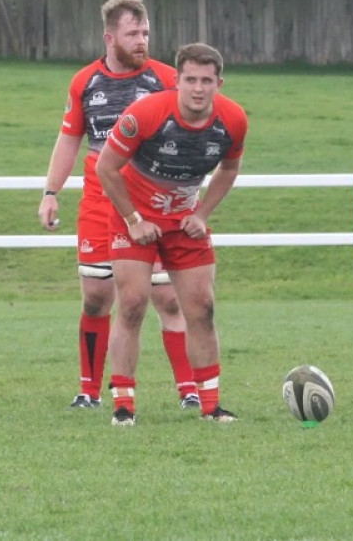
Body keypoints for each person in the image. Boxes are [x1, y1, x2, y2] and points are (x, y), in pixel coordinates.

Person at [38, 0, 200, 411]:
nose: (142, 41)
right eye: (133, 34)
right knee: (96, 295)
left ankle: (189, 390)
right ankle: (88, 392)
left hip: (151, 201)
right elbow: (69, 139)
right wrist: (51, 192)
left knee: (165, 297)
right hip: (98, 202)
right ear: (110, 37)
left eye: (146, 32)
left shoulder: (166, 80)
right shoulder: (84, 83)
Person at [95, 43, 247, 426]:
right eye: (191, 79)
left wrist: (202, 212)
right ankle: (123, 407)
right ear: (176, 80)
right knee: (132, 302)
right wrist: (133, 219)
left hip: (183, 220)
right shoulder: (146, 113)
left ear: (219, 83)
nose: (198, 88)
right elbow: (107, 168)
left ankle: (211, 407)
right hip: (134, 216)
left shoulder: (233, 120)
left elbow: (229, 169)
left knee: (202, 307)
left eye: (206, 81)